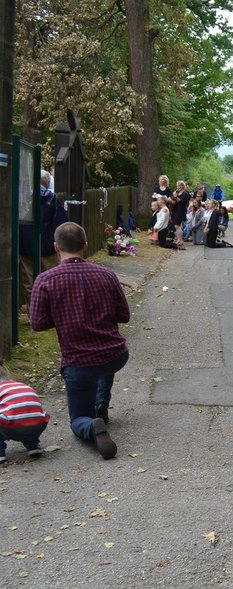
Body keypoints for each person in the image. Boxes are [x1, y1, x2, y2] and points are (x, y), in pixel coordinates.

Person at [29, 222, 130, 460]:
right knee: (103, 364)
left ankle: (90, 425)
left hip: (79, 362)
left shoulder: (45, 280)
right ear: (85, 245)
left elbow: (37, 323)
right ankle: (101, 405)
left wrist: (63, 315)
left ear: (56, 247)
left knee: (77, 419)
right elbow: (123, 315)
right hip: (114, 354)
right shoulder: (107, 274)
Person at [18, 170, 68, 304]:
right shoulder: (53, 199)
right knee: (52, 280)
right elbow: (61, 223)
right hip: (47, 248)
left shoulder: (23, 198)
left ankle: (34, 311)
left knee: (30, 282)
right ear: (46, 182)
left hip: (25, 247)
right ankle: (52, 310)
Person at [0, 364, 50, 463]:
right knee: (26, 413)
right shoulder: (22, 385)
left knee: (13, 415)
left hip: (13, 427)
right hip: (38, 424)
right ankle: (33, 445)